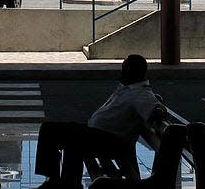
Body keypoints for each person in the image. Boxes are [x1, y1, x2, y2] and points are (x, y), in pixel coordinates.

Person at [34, 54, 165, 188]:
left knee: (73, 141)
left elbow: (156, 107)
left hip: (111, 140)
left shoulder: (141, 94)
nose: (122, 71)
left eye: (125, 68)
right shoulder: (130, 88)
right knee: (48, 129)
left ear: (135, 72)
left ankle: (69, 184)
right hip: (99, 134)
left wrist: (159, 109)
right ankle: (54, 180)